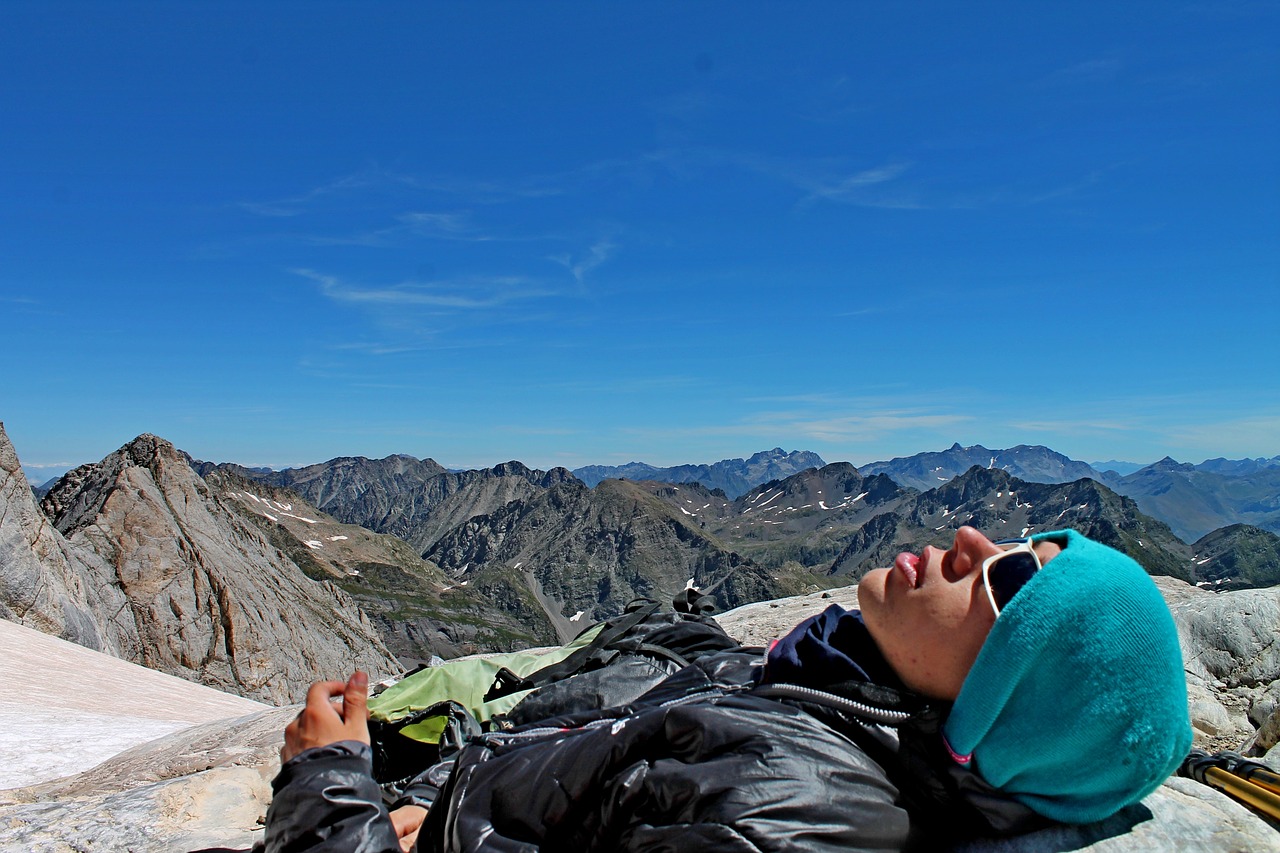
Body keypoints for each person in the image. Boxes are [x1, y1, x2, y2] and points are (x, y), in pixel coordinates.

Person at [262, 527, 1192, 852]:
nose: (968, 540)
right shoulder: (829, 697)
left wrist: (328, 787)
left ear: (1003, 706)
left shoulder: (790, 810)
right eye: (1026, 540)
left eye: (1012, 584)